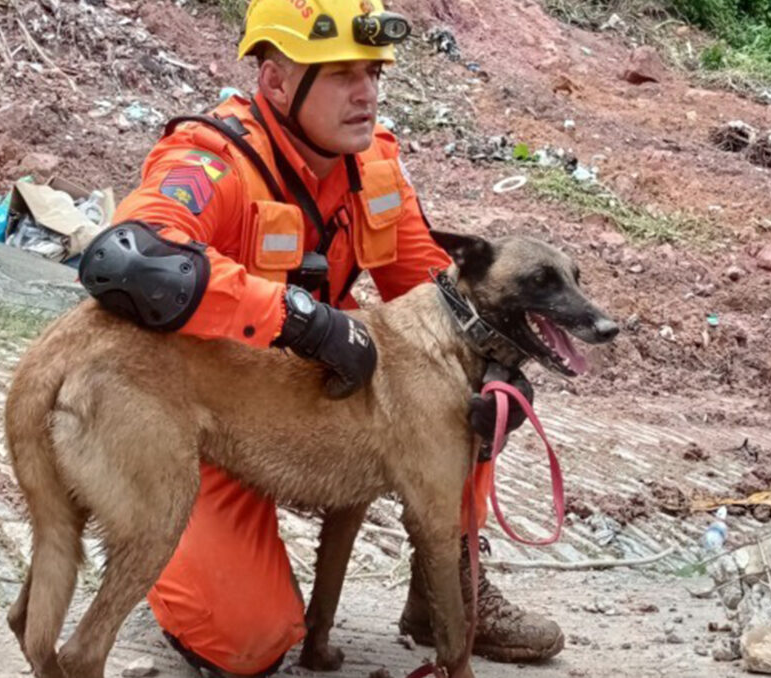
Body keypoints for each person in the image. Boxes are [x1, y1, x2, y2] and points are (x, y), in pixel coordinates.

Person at [78, 1, 563, 675]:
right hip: (205, 417)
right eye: (340, 74)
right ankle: (161, 554)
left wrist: (501, 371)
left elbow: (441, 296)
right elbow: (129, 258)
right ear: (276, 81)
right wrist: (300, 320)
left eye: (371, 71)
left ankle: (446, 584)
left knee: (470, 396)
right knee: (249, 641)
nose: (366, 91)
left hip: (327, 394)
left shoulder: (376, 167)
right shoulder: (214, 161)